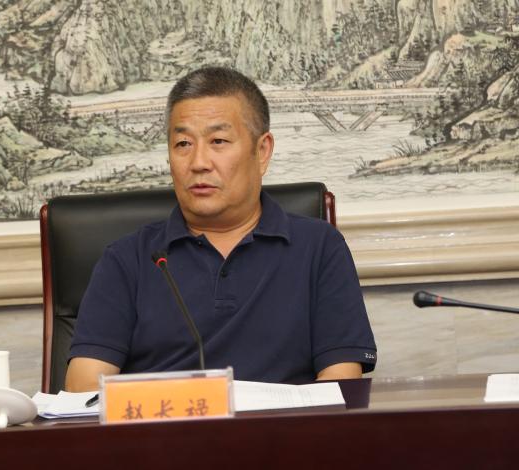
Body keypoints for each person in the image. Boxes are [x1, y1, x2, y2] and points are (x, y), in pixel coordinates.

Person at [66, 66, 376, 391]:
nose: (198, 162)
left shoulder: (319, 248)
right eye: (183, 143)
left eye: (218, 141)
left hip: (286, 425)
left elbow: (342, 383)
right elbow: (82, 388)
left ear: (262, 151)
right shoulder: (127, 259)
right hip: (161, 424)